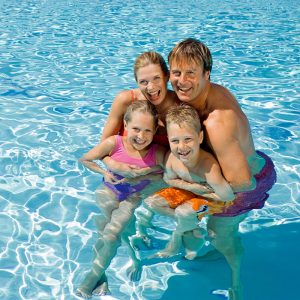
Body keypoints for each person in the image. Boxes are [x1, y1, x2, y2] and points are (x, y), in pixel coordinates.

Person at [163, 38, 276, 300]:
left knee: (219, 233)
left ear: (206, 74)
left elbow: (243, 183)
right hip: (238, 167)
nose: (182, 81)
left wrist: (185, 184)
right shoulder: (205, 93)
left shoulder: (217, 122)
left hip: (250, 183)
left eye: (191, 73)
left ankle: (237, 280)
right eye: (176, 73)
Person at [76, 100, 166, 298]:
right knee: (106, 235)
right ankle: (104, 275)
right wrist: (105, 172)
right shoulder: (114, 143)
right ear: (125, 125)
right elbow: (85, 159)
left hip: (131, 198)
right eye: (136, 129)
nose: (141, 136)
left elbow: (168, 174)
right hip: (108, 191)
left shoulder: (157, 153)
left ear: (154, 131)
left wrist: (145, 173)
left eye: (147, 131)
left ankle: (91, 278)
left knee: (111, 234)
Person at [144, 104, 235, 260]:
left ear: (199, 137)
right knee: (151, 201)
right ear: (168, 140)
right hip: (194, 191)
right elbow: (168, 179)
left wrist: (203, 192)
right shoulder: (173, 159)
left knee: (184, 212)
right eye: (175, 141)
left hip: (213, 198)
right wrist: (192, 187)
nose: (181, 147)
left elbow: (228, 197)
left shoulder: (207, 167)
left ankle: (177, 236)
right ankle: (191, 224)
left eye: (188, 139)